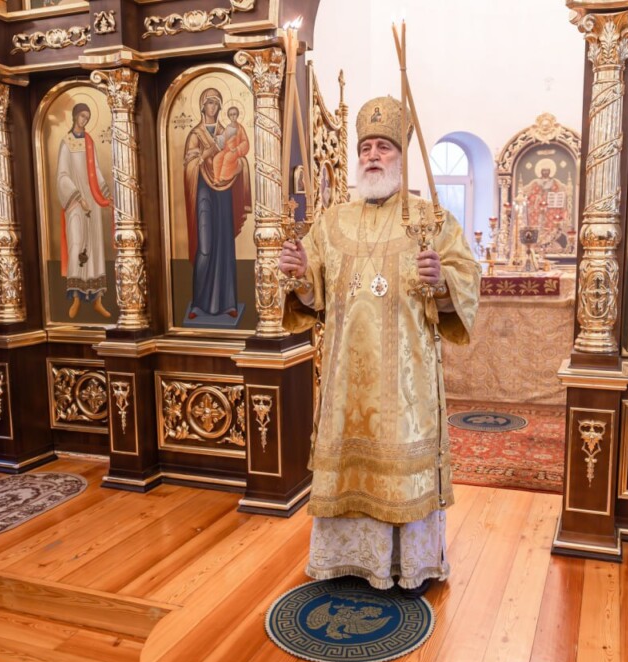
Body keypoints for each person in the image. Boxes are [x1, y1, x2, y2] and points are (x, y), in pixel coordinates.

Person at [278, 95, 480, 597]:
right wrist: (299, 275)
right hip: (345, 382)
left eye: (383, 147)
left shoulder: (430, 219)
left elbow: (466, 278)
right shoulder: (331, 222)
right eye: (365, 147)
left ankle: (409, 566)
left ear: (402, 156)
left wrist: (441, 280)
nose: (372, 155)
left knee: (401, 467)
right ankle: (348, 560)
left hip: (407, 388)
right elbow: (313, 295)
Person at [183, 88, 252, 322]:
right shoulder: (195, 134)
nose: (212, 107)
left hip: (224, 192)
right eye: (209, 103)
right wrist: (205, 156)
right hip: (204, 191)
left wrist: (239, 164)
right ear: (202, 106)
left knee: (224, 245)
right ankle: (198, 302)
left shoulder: (228, 131)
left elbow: (240, 156)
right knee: (205, 245)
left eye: (216, 103)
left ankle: (228, 303)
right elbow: (189, 166)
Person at [56, 102, 112, 319]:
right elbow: (62, 175)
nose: (84, 120)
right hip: (75, 203)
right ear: (74, 117)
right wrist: (79, 198)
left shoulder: (89, 142)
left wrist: (105, 195)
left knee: (95, 247)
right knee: (76, 245)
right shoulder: (66, 143)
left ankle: (98, 300)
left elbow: (95, 169)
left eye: (87, 118)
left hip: (93, 200)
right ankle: (76, 299)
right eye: (82, 116)